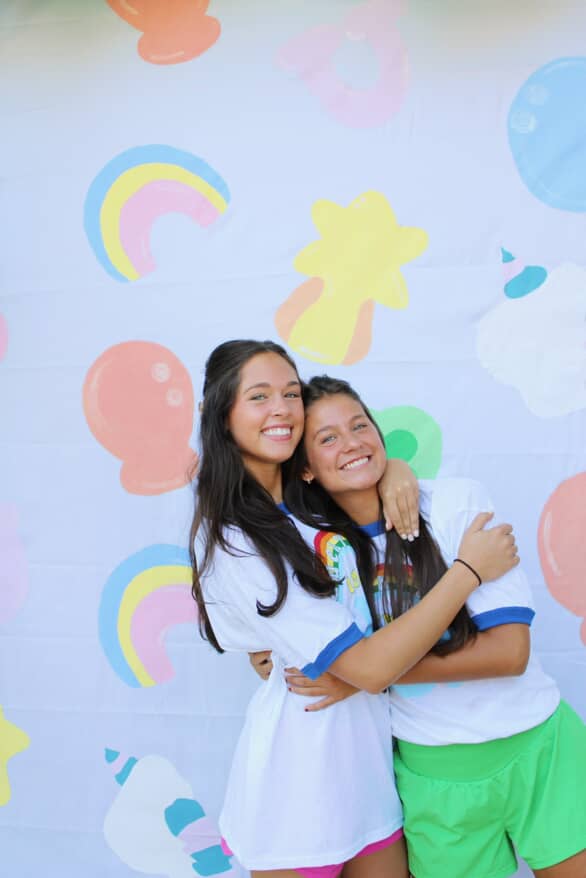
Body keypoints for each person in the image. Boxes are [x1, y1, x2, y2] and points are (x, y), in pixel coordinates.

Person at [190, 339, 519, 878]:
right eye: (259, 396)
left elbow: (350, 475)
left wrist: (396, 471)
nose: (282, 408)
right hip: (296, 791)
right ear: (221, 413)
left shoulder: (303, 503)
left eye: (290, 393)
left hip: (370, 781)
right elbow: (368, 669)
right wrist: (468, 571)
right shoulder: (237, 538)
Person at [253, 374, 586, 878]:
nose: (353, 443)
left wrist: (362, 674)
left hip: (541, 748)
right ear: (305, 468)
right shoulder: (315, 555)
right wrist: (352, 668)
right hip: (433, 780)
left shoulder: (455, 503)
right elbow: (271, 658)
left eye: (360, 425)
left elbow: (510, 653)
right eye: (328, 438)